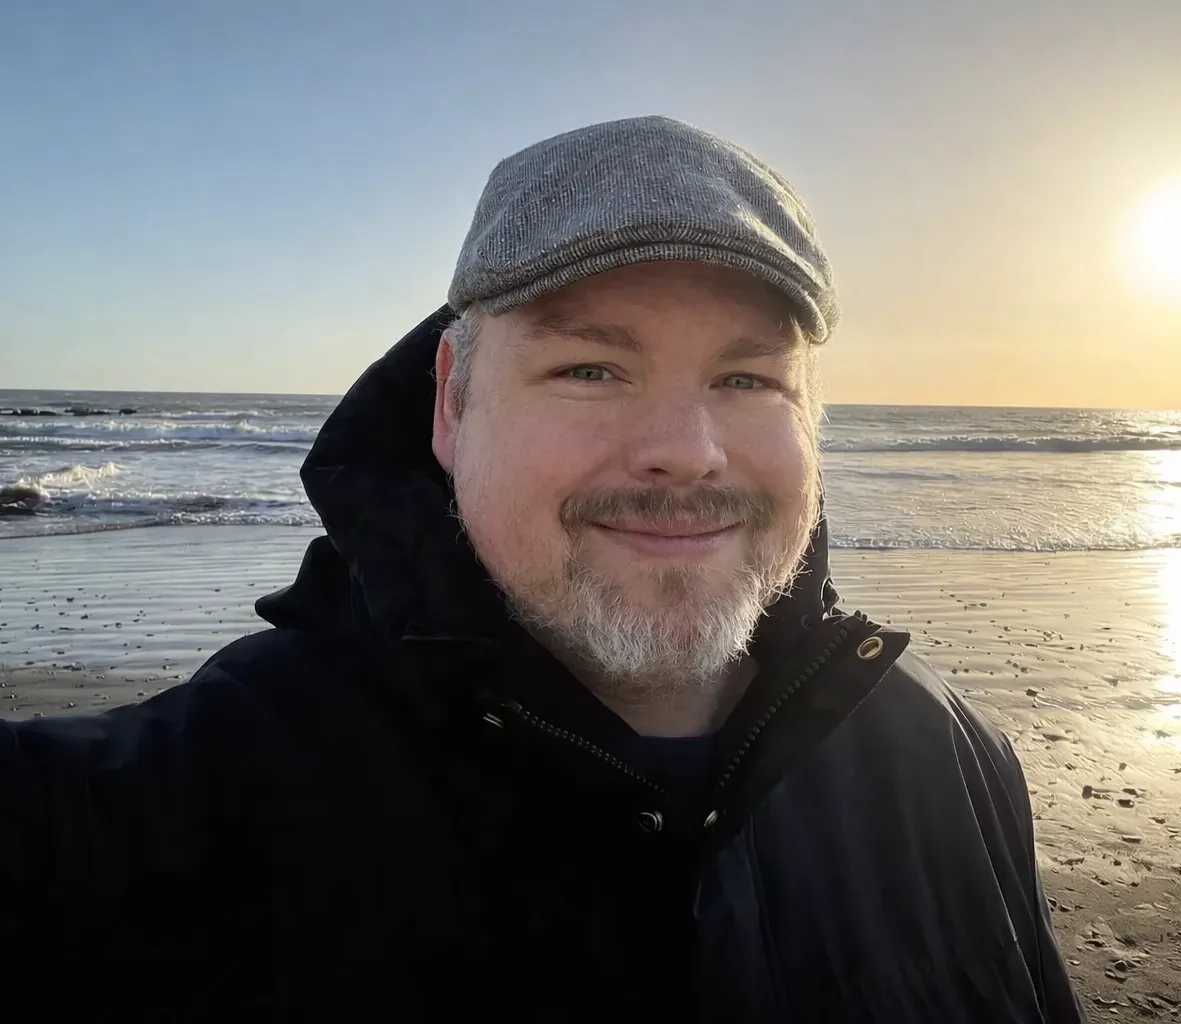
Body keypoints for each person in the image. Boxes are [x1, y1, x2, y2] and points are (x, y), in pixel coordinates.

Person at [0, 116, 1084, 1022]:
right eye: (590, 368)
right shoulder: (187, 793)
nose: (688, 451)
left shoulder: (950, 757)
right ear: (451, 403)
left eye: (748, 379)